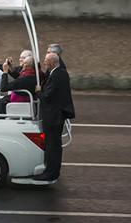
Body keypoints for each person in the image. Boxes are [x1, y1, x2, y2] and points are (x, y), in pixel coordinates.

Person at [33, 53, 75, 182]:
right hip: (55, 115)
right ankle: (51, 171)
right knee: (53, 145)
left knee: (52, 146)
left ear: (52, 62)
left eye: (46, 61)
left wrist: (38, 91)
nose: (44, 62)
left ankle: (50, 173)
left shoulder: (57, 75)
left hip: (53, 116)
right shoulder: (59, 73)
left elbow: (47, 96)